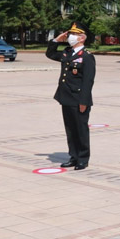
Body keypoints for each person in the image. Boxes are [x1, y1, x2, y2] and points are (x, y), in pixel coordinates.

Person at [46, 22, 96, 170]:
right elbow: (50, 54)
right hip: (66, 97)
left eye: (74, 34)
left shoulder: (87, 57)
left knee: (80, 129)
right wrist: (56, 40)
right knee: (70, 129)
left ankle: (83, 158)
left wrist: (84, 101)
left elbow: (88, 81)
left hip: (79, 99)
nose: (70, 37)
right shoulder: (67, 53)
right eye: (70, 34)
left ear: (82, 38)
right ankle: (73, 156)